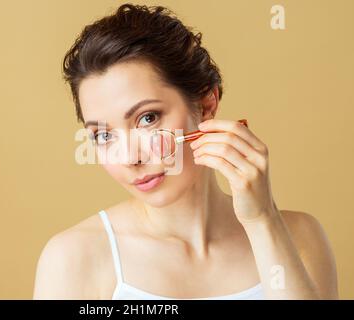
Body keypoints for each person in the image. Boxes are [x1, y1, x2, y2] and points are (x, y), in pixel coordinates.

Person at [33, 3, 338, 299]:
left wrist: (262, 221)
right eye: (103, 135)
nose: (129, 158)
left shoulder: (299, 237)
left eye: (147, 118)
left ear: (206, 105)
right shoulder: (73, 258)